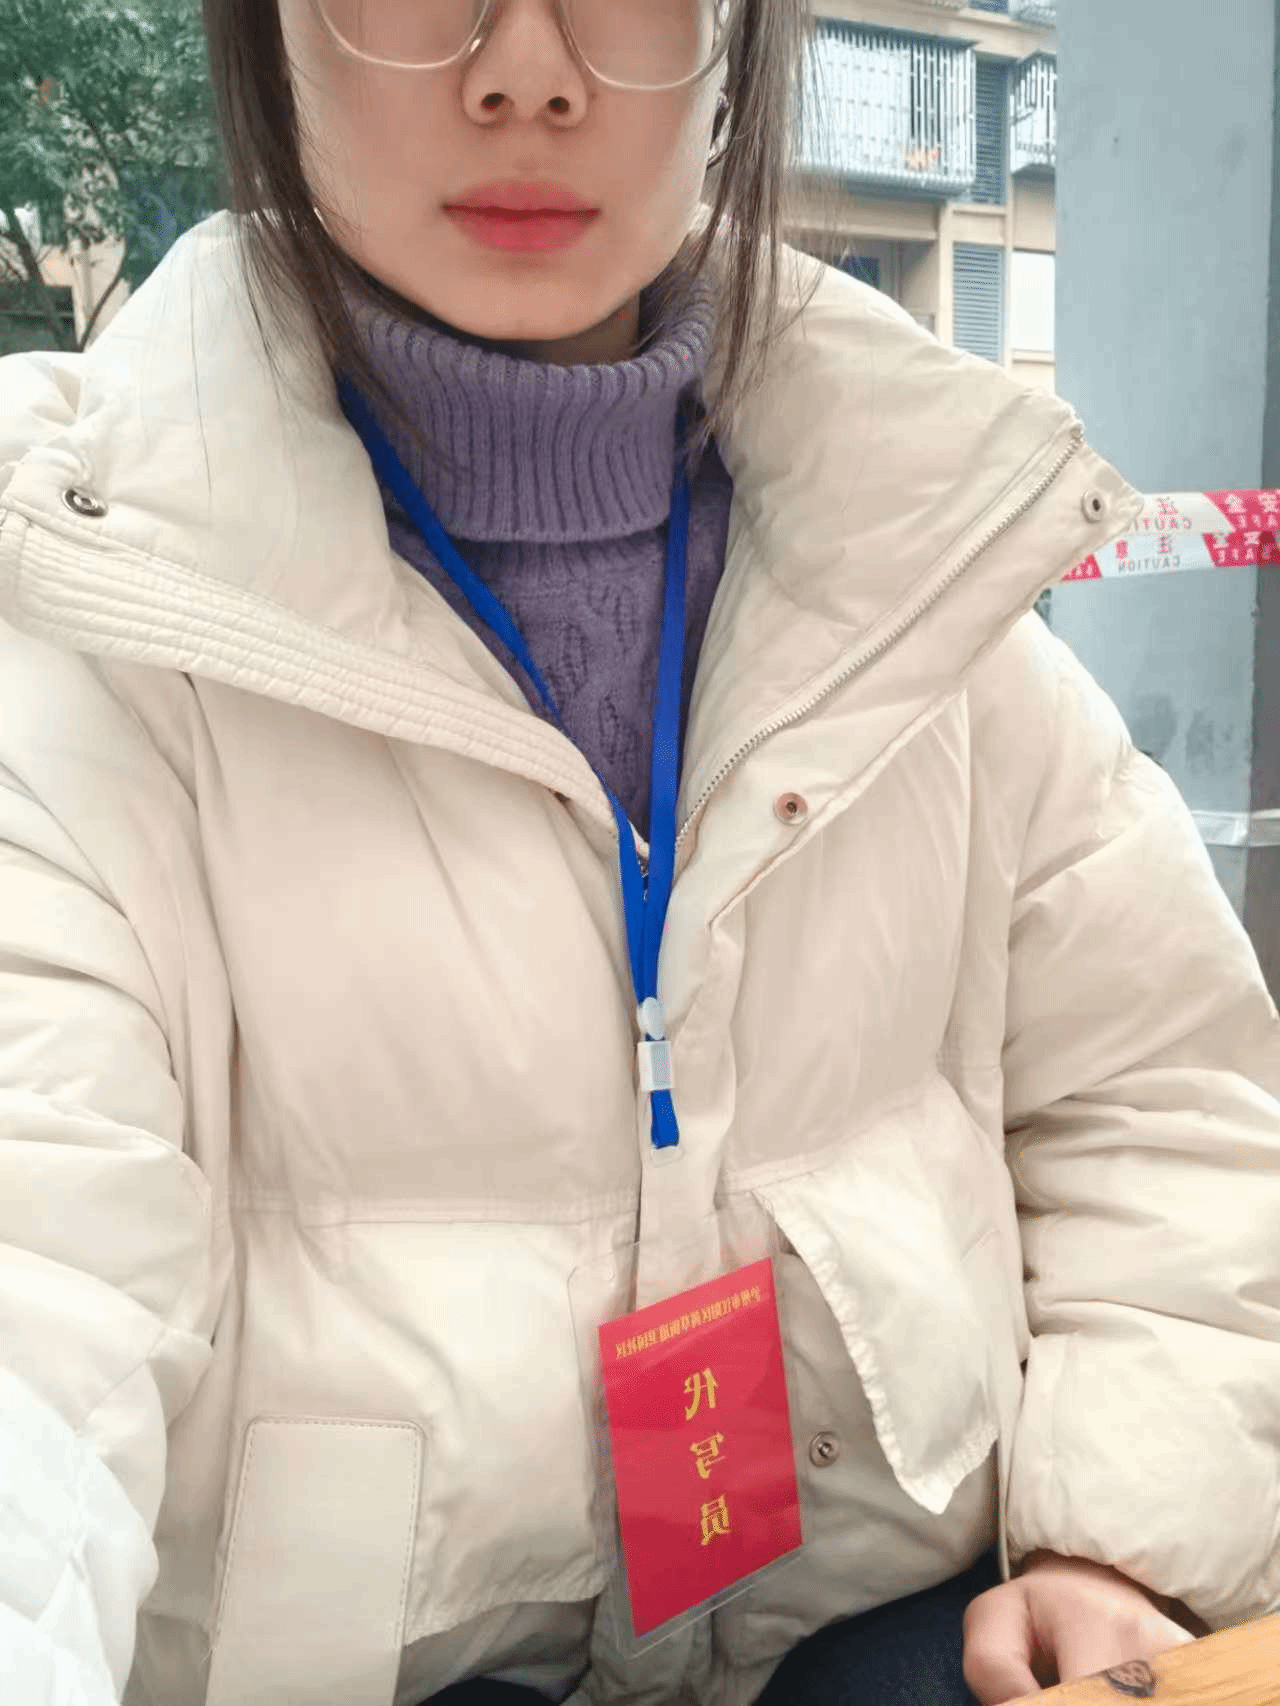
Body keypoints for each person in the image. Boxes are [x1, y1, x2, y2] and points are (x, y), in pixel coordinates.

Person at [0, 0, 1276, 1702]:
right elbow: (36, 1288)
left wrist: (1118, 1535)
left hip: (887, 1633)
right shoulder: (86, 621)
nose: (526, 69)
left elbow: (1164, 1099)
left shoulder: (923, 557)